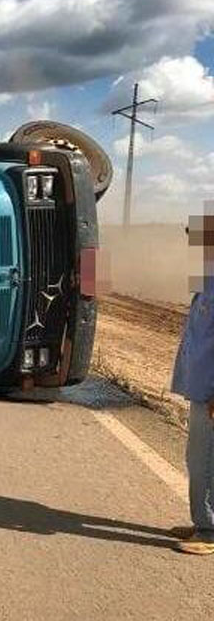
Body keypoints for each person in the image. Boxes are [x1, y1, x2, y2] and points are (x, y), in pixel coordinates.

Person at [171, 212, 214, 555]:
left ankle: (210, 530)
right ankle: (203, 520)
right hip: (202, 388)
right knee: (197, 456)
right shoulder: (207, 278)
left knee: (207, 458)